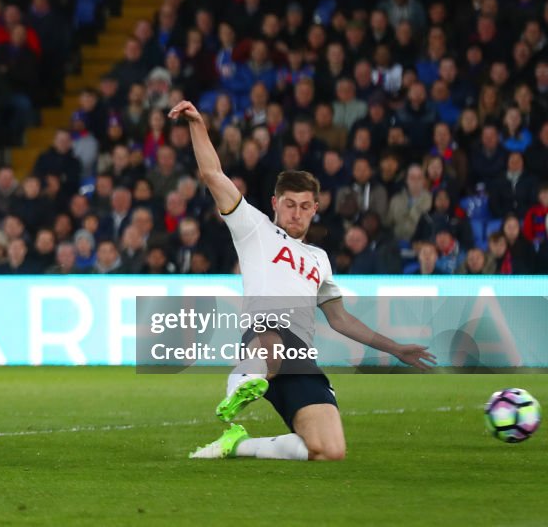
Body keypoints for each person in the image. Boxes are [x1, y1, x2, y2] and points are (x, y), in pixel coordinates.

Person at [166, 100, 435, 461]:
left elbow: (340, 319)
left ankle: (238, 444)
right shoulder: (254, 228)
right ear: (275, 203)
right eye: (289, 204)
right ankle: (241, 383)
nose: (296, 213)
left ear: (315, 208)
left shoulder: (319, 259)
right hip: (263, 340)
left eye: (305, 206)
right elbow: (213, 175)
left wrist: (395, 348)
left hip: (300, 359)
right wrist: (198, 125)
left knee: (329, 451)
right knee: (272, 338)